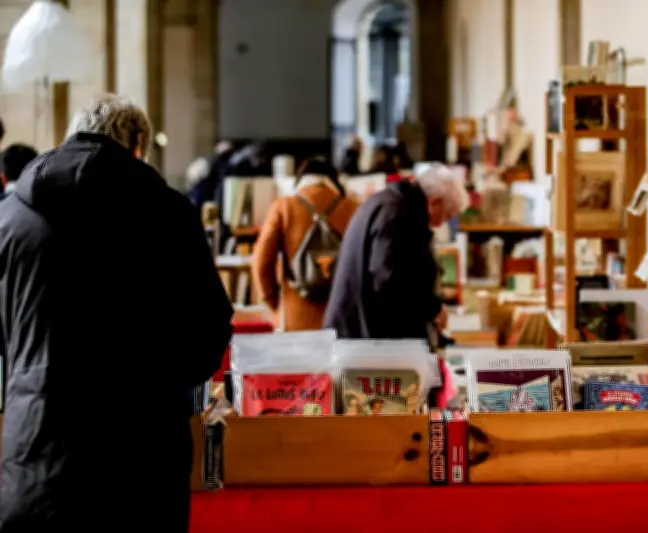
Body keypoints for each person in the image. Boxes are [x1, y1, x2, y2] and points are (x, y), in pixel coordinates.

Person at [0, 94, 233, 532]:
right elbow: (208, 330)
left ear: (69, 135)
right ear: (139, 142)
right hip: (141, 454)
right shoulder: (167, 211)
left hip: (36, 449)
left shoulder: (11, 216)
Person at [324, 164, 468, 341]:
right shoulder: (396, 214)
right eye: (446, 216)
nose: (441, 225)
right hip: (363, 342)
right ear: (434, 202)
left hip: (358, 334)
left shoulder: (390, 203)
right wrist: (431, 308)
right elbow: (389, 279)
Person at [251, 156, 358, 331]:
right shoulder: (352, 207)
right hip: (341, 316)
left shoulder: (284, 206)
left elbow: (261, 261)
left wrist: (272, 299)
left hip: (295, 317)